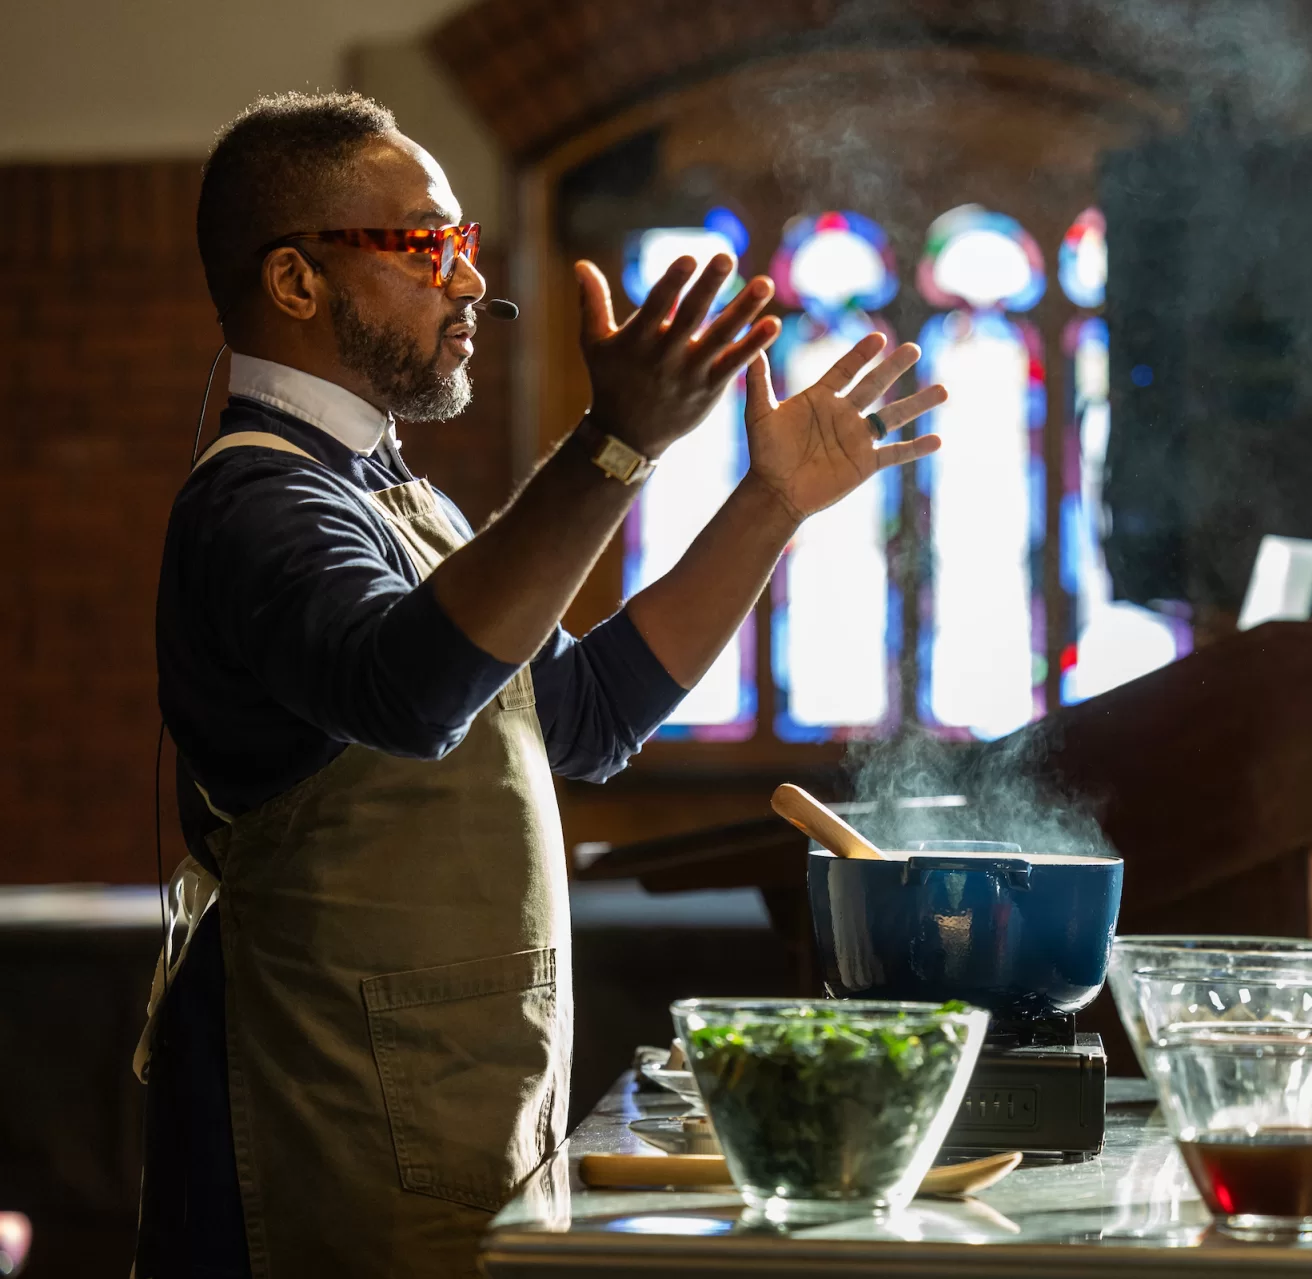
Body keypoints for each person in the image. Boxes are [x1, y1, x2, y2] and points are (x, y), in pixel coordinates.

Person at [135, 90, 946, 1279]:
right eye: (424, 244)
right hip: (320, 1141)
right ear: (297, 283)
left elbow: (581, 716)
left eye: (464, 243)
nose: (470, 283)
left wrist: (767, 505)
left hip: (455, 1120)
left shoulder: (393, 501)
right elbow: (411, 695)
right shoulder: (258, 505)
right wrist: (612, 447)